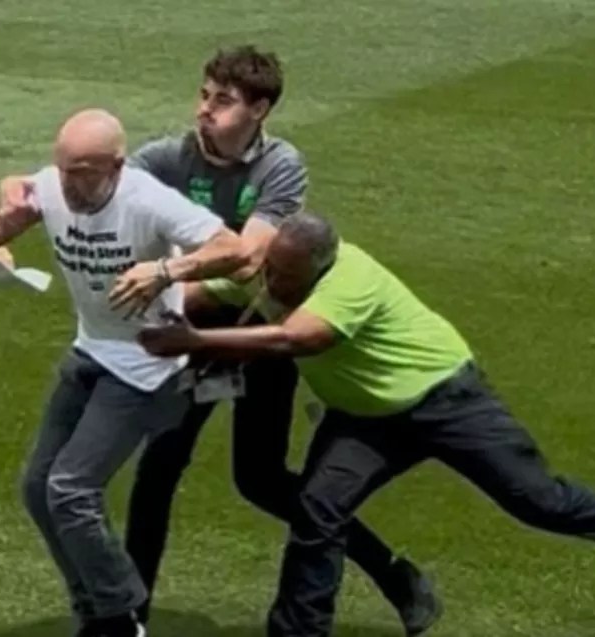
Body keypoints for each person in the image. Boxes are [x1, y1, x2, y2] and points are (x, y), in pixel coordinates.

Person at [136, 211, 595, 637]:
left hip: (447, 399)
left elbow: (298, 338)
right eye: (269, 271)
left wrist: (196, 341)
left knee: (538, 501)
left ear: (319, 268)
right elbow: (196, 294)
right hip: (365, 420)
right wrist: (149, 293)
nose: (271, 285)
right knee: (317, 509)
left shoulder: (349, 277)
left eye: (286, 277)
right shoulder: (266, 271)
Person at [121, 45, 438, 635]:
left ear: (259, 109)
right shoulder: (166, 158)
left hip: (258, 334)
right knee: (158, 468)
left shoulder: (281, 165)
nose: (205, 110)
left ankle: (394, 573)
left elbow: (250, 263)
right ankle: (132, 618)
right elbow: (107, 190)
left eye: (223, 100)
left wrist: (167, 283)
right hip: (186, 339)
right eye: (204, 95)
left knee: (261, 478)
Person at [0, 107, 249, 637]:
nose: (68, 185)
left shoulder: (148, 200)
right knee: (37, 487)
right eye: (62, 168)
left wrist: (166, 268)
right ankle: (94, 616)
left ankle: (122, 620)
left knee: (72, 490)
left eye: (82, 172)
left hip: (148, 365)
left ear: (116, 166)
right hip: (92, 350)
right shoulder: (52, 185)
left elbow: (233, 250)